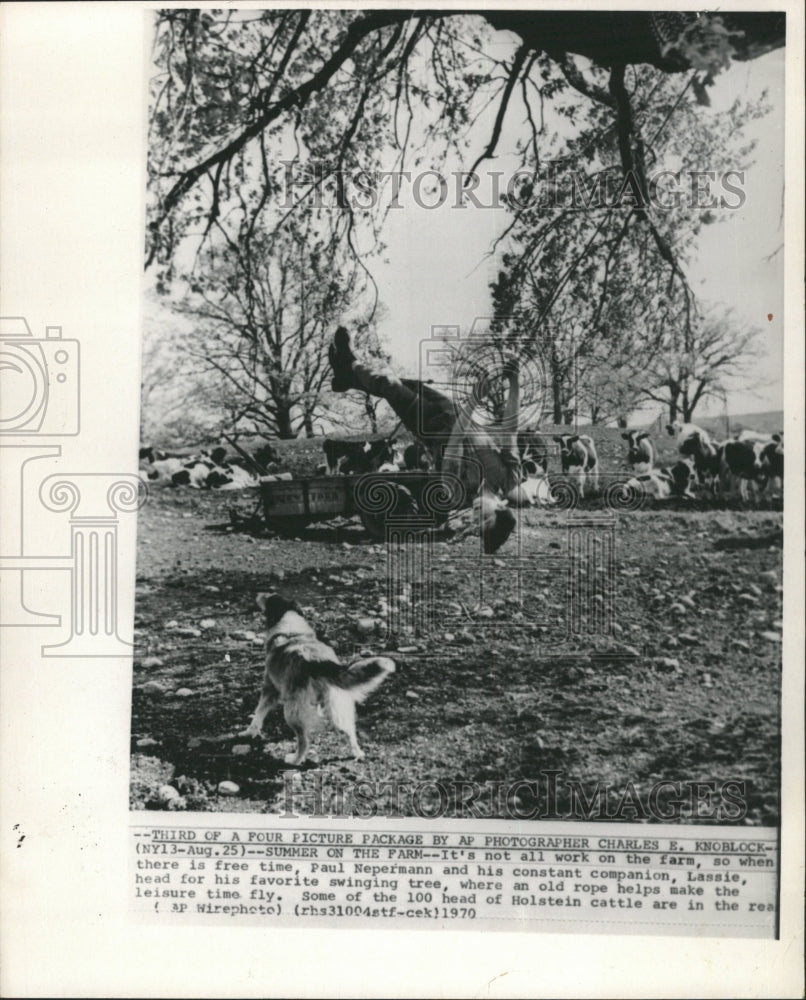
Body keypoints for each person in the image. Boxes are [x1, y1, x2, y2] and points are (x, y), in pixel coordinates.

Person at [328, 326, 522, 552]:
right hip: (450, 409)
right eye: (486, 520)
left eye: (479, 526)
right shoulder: (509, 477)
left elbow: (457, 438)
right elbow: (510, 428)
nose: (477, 518)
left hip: (429, 425)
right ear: (501, 507)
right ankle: (348, 378)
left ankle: (349, 361)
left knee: (390, 385)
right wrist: (515, 381)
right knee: (402, 384)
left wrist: (475, 398)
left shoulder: (455, 491)